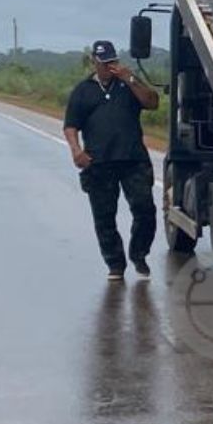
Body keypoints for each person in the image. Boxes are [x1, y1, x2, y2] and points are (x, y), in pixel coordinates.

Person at [62, 40, 160, 281]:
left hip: (133, 160)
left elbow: (152, 102)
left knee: (145, 209)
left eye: (112, 61)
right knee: (104, 216)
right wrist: (76, 151)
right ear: (94, 62)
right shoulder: (83, 90)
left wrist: (131, 78)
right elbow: (71, 125)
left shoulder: (128, 84)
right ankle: (115, 264)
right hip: (99, 163)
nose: (109, 66)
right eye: (104, 62)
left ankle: (139, 255)